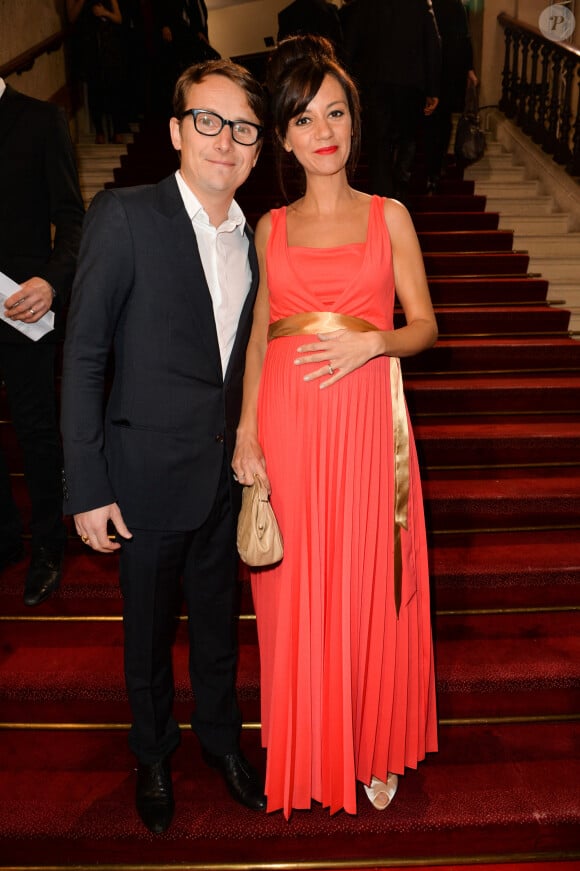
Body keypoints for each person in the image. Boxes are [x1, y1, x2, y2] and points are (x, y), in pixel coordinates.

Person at [232, 35, 438, 818]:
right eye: (305, 117)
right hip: (287, 426)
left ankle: (372, 743)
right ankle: (310, 742)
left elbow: (424, 326)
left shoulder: (390, 218)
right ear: (282, 136)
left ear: (354, 125)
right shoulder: (271, 228)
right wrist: (248, 429)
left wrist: (374, 340)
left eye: (336, 113)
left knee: (367, 588)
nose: (324, 129)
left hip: (364, 423)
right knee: (294, 595)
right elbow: (258, 338)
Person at [60, 59, 268, 834]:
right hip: (141, 477)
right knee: (146, 634)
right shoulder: (125, 215)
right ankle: (151, 751)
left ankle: (221, 742)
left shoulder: (257, 237)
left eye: (243, 129)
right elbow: (83, 356)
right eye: (208, 122)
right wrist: (86, 484)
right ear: (179, 131)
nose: (226, 141)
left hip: (224, 476)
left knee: (218, 625)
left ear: (256, 148)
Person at [0, 80, 84, 606]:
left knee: (34, 430)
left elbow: (73, 220)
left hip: (21, 307)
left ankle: (49, 542)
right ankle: (5, 538)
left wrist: (52, 282)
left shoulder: (39, 119)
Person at [345, 0, 441, 199]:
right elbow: (432, 45)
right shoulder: (420, 4)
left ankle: (383, 194)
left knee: (379, 142)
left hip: (375, 83)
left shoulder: (367, 5)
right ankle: (401, 187)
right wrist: (433, 89)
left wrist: (350, 87)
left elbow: (351, 45)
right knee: (408, 138)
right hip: (410, 85)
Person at [424, 0, 478, 192]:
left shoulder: (433, 5)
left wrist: (469, 67)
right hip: (445, 70)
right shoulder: (453, 5)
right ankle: (435, 168)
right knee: (440, 121)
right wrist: (469, 67)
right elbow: (464, 37)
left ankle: (432, 167)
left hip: (437, 71)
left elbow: (464, 37)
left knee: (436, 120)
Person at [66, 0, 129, 144]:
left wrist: (105, 13)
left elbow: (119, 18)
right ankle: (99, 132)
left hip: (109, 47)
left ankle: (117, 130)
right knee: (94, 89)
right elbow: (71, 17)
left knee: (114, 88)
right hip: (89, 47)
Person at [277, 0, 344, 53]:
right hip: (326, 61)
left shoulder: (286, 14)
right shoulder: (329, 10)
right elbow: (339, 43)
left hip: (298, 63)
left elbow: (282, 46)